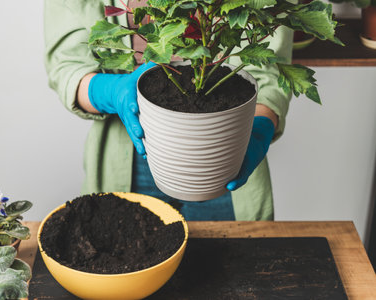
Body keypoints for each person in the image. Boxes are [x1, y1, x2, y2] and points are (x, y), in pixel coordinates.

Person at [44, 0, 292, 221]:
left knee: (234, 261)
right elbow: (68, 65)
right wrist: (111, 91)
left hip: (224, 150)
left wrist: (260, 127)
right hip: (127, 151)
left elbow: (267, 69)